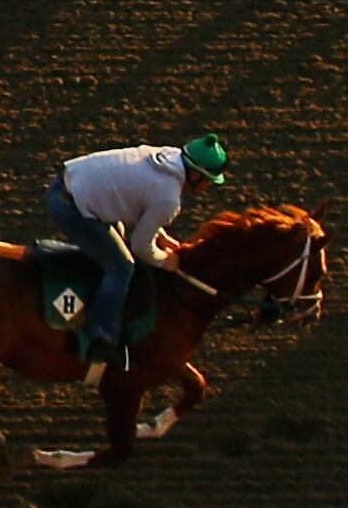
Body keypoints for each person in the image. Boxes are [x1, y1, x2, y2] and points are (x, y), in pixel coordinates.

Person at [48, 135, 228, 373]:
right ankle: (101, 340)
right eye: (208, 180)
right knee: (122, 267)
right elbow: (141, 247)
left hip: (63, 184)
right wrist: (166, 261)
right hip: (72, 209)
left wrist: (161, 237)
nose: (208, 187)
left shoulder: (168, 154)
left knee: (116, 243)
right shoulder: (169, 199)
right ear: (195, 174)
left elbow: (137, 199)